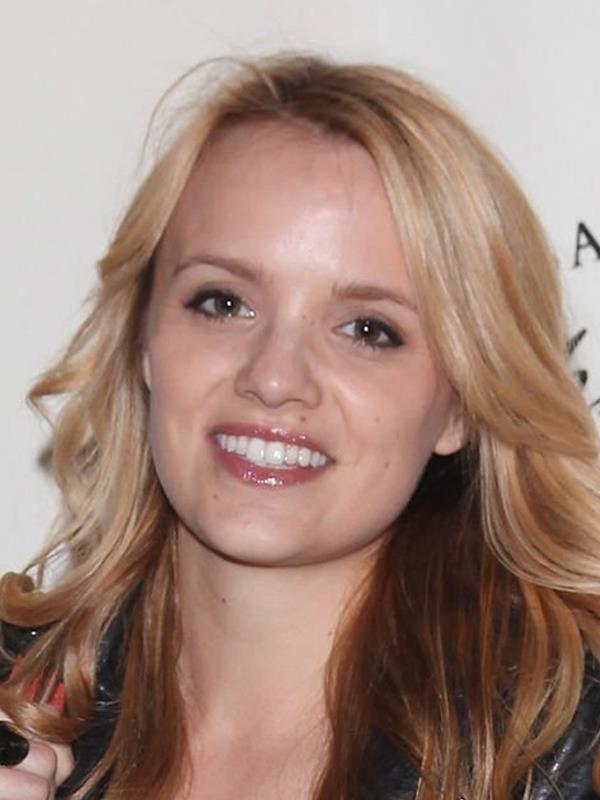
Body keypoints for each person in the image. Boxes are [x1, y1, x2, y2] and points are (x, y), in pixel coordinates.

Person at [0, 53, 599, 800]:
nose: (276, 376)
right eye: (223, 302)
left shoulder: (564, 760)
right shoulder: (17, 699)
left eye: (368, 329)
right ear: (143, 338)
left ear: (459, 406)